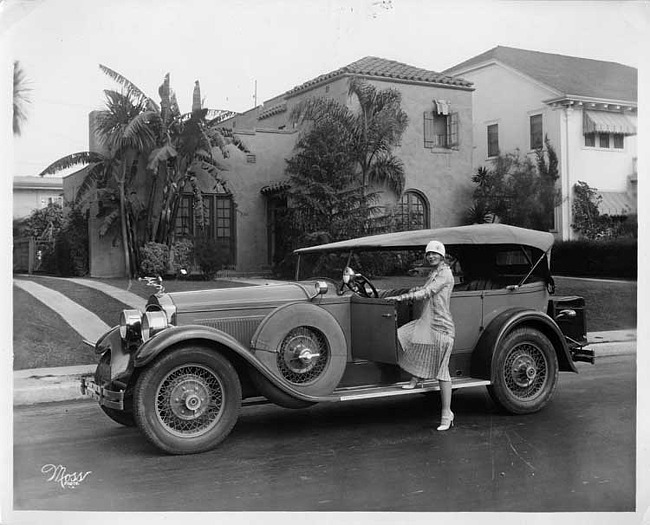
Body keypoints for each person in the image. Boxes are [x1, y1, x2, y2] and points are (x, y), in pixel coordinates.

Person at [385, 240, 456, 431]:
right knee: (403, 337)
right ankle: (417, 378)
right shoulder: (434, 273)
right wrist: (413, 290)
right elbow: (425, 290)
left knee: (443, 374)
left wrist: (402, 298)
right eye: (429, 253)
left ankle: (446, 414)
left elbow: (429, 292)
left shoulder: (446, 274)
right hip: (427, 323)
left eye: (435, 253)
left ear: (442, 255)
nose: (431, 256)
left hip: (442, 327)